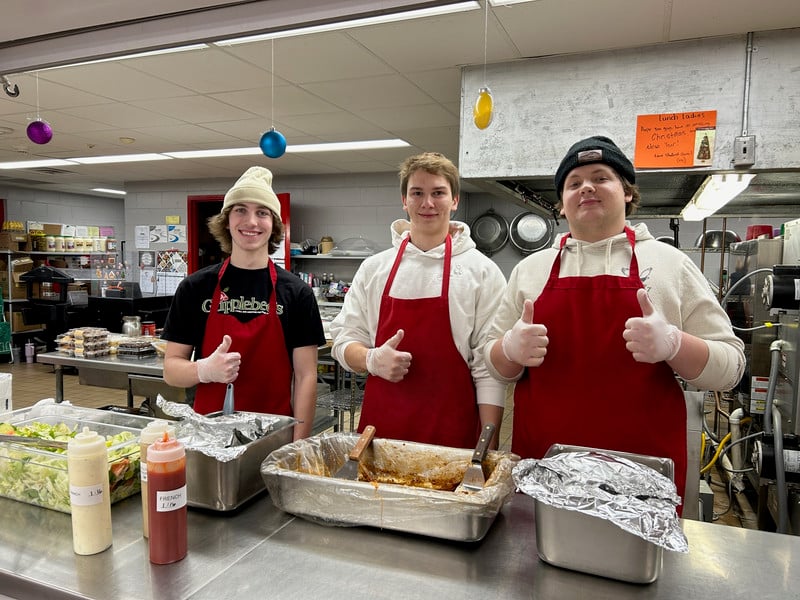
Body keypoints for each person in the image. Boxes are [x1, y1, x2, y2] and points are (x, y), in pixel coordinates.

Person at [484, 136, 745, 505]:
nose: (586, 187)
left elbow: (731, 367)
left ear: (626, 192)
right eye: (573, 183)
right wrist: (509, 350)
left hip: (641, 476)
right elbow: (494, 366)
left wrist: (675, 344)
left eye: (600, 177)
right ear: (561, 204)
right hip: (546, 468)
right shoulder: (531, 270)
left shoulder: (670, 264)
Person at [329, 152, 507, 449]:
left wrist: (487, 445)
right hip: (381, 431)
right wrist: (371, 359)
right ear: (404, 201)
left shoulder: (482, 271)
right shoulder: (375, 269)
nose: (427, 203)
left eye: (438, 193)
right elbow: (343, 342)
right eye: (417, 193)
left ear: (454, 200)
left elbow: (487, 368)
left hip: (453, 433)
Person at [161, 166, 325, 440]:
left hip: (274, 435)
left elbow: (306, 377)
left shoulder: (297, 293)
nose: (251, 221)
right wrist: (204, 369)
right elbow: (171, 370)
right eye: (240, 210)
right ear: (226, 220)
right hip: (210, 436)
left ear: (274, 224)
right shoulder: (195, 288)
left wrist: (299, 446)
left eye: (262, 212)